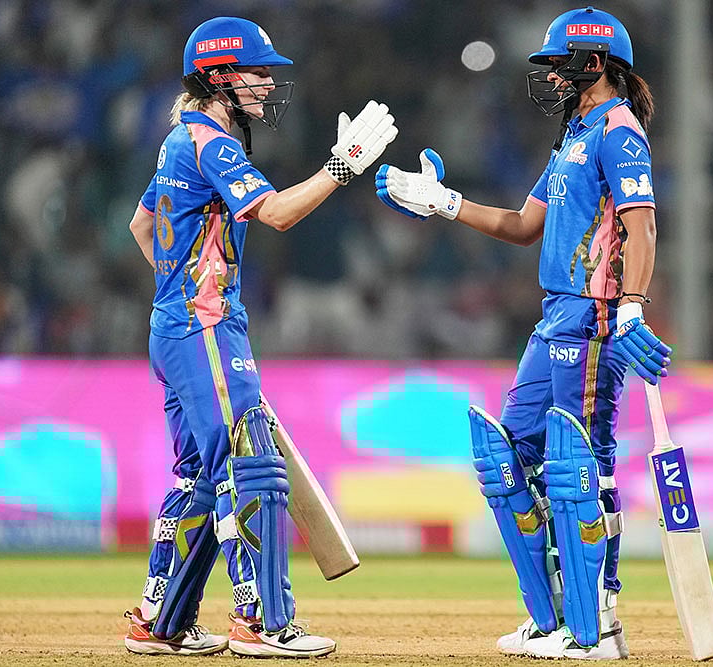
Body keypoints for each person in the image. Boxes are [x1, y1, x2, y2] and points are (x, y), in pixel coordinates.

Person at [375, 5, 670, 661]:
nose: (553, 77)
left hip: (593, 314)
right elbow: (521, 225)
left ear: (595, 62)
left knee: (579, 465)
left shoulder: (618, 130)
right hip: (555, 315)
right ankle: (550, 615)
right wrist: (445, 202)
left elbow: (642, 224)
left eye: (561, 64)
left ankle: (597, 624)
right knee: (507, 456)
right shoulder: (574, 137)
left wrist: (630, 306)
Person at [122, 16, 397, 657]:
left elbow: (142, 225)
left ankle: (161, 620)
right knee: (252, 467)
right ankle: (263, 622)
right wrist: (342, 167)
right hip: (207, 326)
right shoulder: (214, 145)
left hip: (175, 327)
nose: (269, 85)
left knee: (199, 474)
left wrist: (178, 289)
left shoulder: (179, 139)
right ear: (219, 76)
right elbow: (277, 214)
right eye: (258, 73)